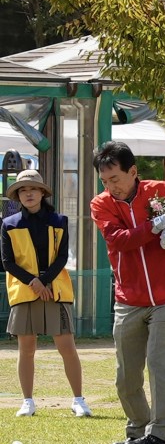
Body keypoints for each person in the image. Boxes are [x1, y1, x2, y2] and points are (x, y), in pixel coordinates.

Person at [91, 141, 165, 444]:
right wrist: (154, 228)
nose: (111, 187)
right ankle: (138, 428)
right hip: (129, 299)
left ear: (133, 171)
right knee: (126, 374)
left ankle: (159, 437)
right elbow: (118, 240)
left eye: (116, 179)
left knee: (159, 365)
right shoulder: (101, 204)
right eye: (105, 181)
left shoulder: (162, 192)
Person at [2, 169, 90, 418]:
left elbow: (63, 256)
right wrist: (35, 283)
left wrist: (45, 281)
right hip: (24, 291)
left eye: (32, 188)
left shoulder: (59, 220)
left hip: (55, 290)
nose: (28, 193)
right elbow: (7, 262)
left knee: (67, 346)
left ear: (42, 192)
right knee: (26, 349)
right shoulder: (9, 224)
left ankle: (79, 400)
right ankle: (27, 401)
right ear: (18, 195)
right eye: (22, 190)